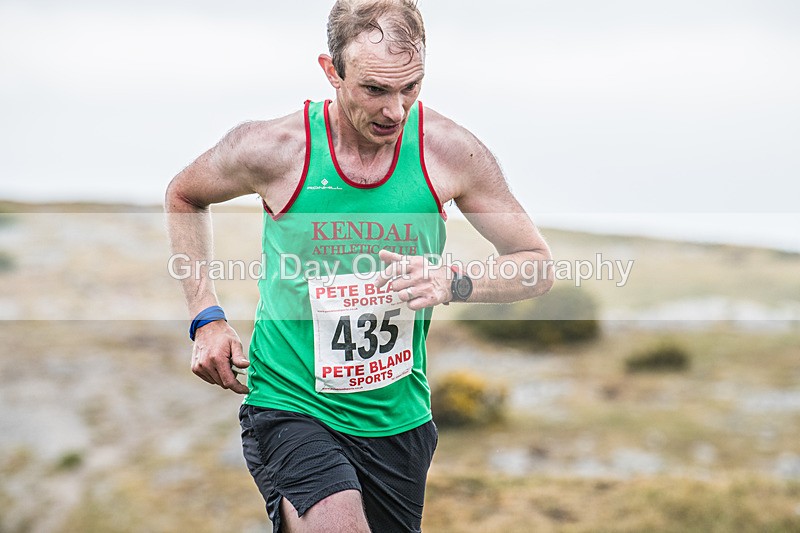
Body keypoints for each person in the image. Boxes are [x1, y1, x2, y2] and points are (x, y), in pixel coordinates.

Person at [165, 0, 553, 531]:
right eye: (375, 89)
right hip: (291, 402)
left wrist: (453, 280)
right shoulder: (276, 149)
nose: (395, 110)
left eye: (410, 87)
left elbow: (535, 264)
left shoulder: (450, 153)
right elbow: (184, 194)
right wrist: (205, 316)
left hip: (397, 420)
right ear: (332, 72)